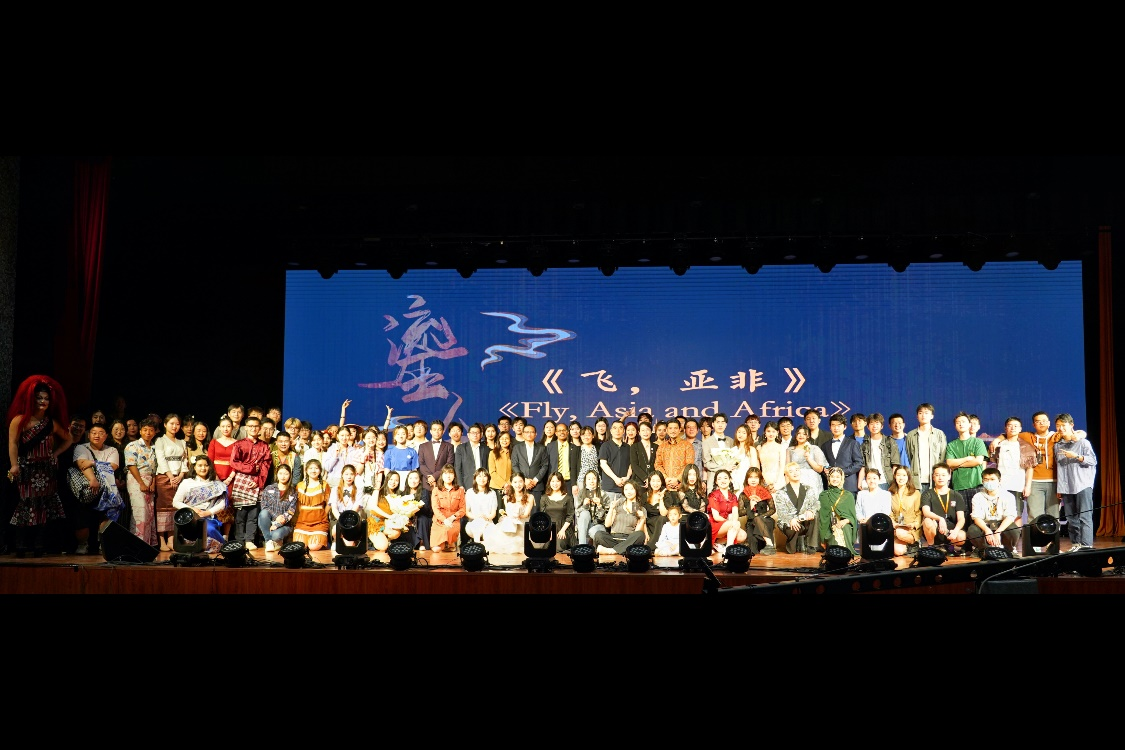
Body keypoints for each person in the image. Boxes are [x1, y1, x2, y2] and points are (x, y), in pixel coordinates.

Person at [69, 422, 124, 556]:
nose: (97, 436)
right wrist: (93, 479)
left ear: (106, 436)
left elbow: (112, 466)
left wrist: (92, 462)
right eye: (93, 433)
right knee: (82, 517)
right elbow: (81, 464)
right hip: (86, 487)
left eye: (100, 433)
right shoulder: (81, 447)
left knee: (105, 516)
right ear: (88, 435)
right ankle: (82, 544)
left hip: (105, 490)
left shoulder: (112, 450)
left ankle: (102, 544)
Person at [227, 415, 272, 550]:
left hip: (257, 481)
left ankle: (249, 540)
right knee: (240, 514)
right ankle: (239, 540)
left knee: (253, 513)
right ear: (246, 428)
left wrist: (258, 481)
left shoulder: (264, 446)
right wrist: (251, 468)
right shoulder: (239, 444)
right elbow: (234, 462)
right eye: (250, 426)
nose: (253, 428)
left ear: (260, 428)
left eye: (256, 426)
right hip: (241, 480)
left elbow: (266, 465)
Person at [1054, 413, 1097, 552]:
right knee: (1071, 519)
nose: (1060, 428)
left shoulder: (1083, 442)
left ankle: (1086, 546)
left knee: (1085, 516)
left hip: (1082, 485)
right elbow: (1059, 468)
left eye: (1063, 425)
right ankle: (1076, 544)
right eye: (1058, 425)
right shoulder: (1057, 445)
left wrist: (1077, 456)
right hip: (1066, 487)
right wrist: (1059, 488)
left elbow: (1093, 461)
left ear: (1071, 425)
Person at [169, 454, 228, 554]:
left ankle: (222, 545)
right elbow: (176, 502)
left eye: (206, 465)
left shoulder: (217, 484)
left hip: (207, 516)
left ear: (210, 467)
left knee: (209, 529)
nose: (203, 468)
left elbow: (223, 504)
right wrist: (192, 510)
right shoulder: (187, 483)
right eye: (200, 465)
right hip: (190, 517)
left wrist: (207, 513)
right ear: (194, 467)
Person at [988, 417, 1035, 526]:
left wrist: (1027, 486)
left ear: (1020, 429)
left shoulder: (1026, 446)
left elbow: (1029, 468)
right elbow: (991, 463)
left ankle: (1016, 537)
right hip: (1000, 486)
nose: (1012, 428)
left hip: (1017, 485)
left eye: (1015, 426)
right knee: (1000, 514)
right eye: (1010, 425)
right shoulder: (998, 445)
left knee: (1017, 514)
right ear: (1005, 428)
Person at [966, 467, 1021, 558]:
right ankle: (982, 549)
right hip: (986, 524)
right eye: (986, 479)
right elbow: (976, 517)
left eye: (992, 479)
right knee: (972, 530)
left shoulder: (1008, 496)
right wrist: (987, 530)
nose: (989, 482)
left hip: (1001, 523)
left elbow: (1010, 516)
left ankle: (1009, 549)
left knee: (1014, 530)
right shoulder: (978, 496)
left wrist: (998, 532)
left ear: (999, 481)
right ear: (982, 481)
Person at [152, 413, 189, 552]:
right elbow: (161, 459)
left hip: (179, 478)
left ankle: (171, 539)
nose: (174, 426)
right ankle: (161, 540)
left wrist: (180, 475)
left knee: (175, 508)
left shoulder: (182, 442)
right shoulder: (160, 440)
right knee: (163, 508)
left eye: (177, 424)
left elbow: (184, 460)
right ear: (165, 424)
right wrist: (170, 476)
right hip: (164, 477)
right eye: (172, 423)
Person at [1020, 411, 1064, 521]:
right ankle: (1034, 533)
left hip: (1054, 482)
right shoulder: (1028, 436)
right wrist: (997, 440)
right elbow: (1007, 435)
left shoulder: (1056, 436)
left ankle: (1053, 533)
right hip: (1034, 482)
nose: (1041, 423)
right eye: (1038, 421)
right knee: (1034, 516)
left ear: (1049, 423)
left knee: (1053, 515)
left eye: (1044, 421)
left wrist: (1081, 434)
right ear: (1033, 425)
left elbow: (1076, 433)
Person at [124, 417, 159, 547]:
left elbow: (155, 468)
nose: (148, 433)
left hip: (150, 480)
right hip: (136, 479)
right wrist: (141, 483)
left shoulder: (155, 448)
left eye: (151, 430)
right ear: (140, 431)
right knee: (140, 512)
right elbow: (131, 465)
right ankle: (137, 544)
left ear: (155, 432)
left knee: (149, 513)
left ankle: (148, 545)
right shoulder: (132, 445)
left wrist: (153, 483)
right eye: (145, 430)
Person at [920, 463, 969, 555]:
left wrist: (956, 530)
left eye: (943, 475)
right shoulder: (927, 494)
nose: (940, 478)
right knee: (927, 521)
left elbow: (961, 518)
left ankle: (949, 546)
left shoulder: (956, 495)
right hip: (935, 527)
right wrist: (940, 519)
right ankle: (932, 547)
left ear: (949, 476)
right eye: (937, 475)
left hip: (950, 530)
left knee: (961, 536)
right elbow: (926, 512)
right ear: (933, 477)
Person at [775, 462, 821, 554]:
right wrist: (791, 519)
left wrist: (811, 510)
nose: (795, 473)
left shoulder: (808, 489)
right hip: (789, 522)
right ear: (787, 475)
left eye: (797, 470)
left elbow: (816, 503)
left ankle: (811, 545)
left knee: (816, 514)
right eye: (791, 471)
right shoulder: (781, 492)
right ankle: (792, 544)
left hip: (805, 520)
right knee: (792, 550)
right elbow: (781, 512)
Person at [592, 478, 646, 555]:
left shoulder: (640, 509)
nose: (629, 492)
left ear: (636, 491)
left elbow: (637, 532)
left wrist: (642, 518)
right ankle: (622, 550)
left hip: (628, 540)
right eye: (626, 489)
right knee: (599, 534)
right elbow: (607, 524)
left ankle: (612, 551)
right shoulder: (619, 504)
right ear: (623, 492)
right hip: (614, 538)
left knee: (640, 535)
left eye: (631, 489)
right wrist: (611, 508)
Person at [945, 411, 989, 506]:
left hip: (976, 484)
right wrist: (967, 458)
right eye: (958, 422)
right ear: (955, 426)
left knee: (978, 513)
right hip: (958, 485)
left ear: (969, 424)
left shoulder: (978, 442)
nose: (961, 424)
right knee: (961, 513)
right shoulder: (951, 445)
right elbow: (949, 463)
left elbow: (978, 461)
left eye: (963, 421)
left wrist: (957, 465)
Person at [254, 461, 298, 553]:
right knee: (263, 513)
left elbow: (290, 512)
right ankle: (268, 541)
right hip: (269, 521)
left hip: (284, 524)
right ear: (277, 474)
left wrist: (277, 524)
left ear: (290, 475)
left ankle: (276, 540)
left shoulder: (293, 492)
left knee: (275, 535)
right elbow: (264, 506)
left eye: (286, 474)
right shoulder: (269, 488)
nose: (283, 476)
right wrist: (276, 517)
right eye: (280, 473)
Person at [207, 416, 239, 538]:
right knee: (215, 503)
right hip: (215, 477)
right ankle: (215, 535)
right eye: (223, 426)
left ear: (233, 427)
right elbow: (210, 461)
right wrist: (216, 478)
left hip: (231, 477)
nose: (226, 429)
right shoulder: (214, 442)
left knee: (228, 504)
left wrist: (230, 478)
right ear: (219, 428)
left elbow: (237, 462)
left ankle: (226, 536)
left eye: (228, 426)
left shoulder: (237, 443)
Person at [483, 480, 532, 555]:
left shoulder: (530, 497)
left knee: (518, 542)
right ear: (511, 483)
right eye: (515, 482)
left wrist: (517, 517)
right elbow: (509, 511)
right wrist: (508, 514)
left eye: (520, 482)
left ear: (523, 482)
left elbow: (526, 514)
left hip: (522, 522)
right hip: (511, 522)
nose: (518, 485)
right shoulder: (508, 496)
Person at [817, 466, 858, 557]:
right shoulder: (823, 495)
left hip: (844, 524)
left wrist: (845, 521)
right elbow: (822, 516)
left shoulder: (848, 495)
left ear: (841, 479)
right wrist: (832, 525)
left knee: (846, 528)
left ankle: (847, 551)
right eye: (832, 476)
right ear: (829, 478)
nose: (835, 479)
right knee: (834, 550)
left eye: (837, 477)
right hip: (829, 526)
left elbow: (852, 517)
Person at [906, 403, 947, 491]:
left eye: (926, 413)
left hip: (935, 480)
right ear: (917, 416)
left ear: (932, 416)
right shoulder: (911, 435)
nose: (923, 415)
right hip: (917, 480)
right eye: (920, 413)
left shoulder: (939, 434)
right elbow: (910, 456)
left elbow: (942, 456)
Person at [292, 458, 330, 551]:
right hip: (303, 522)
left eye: (316, 468)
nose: (313, 471)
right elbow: (298, 505)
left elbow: (329, 503)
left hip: (319, 522)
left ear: (320, 470)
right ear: (306, 470)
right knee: (300, 547)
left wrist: (323, 515)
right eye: (311, 468)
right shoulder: (300, 485)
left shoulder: (324, 485)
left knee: (314, 547)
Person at [737, 467, 776, 555]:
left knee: (758, 519)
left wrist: (762, 516)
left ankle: (769, 545)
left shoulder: (765, 492)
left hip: (765, 521)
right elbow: (740, 513)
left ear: (760, 479)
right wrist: (750, 507)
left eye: (756, 477)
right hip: (751, 523)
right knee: (753, 550)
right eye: (751, 477)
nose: (753, 480)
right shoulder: (743, 495)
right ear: (747, 479)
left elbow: (773, 509)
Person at [707, 469, 746, 556]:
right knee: (734, 524)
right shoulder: (713, 495)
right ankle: (729, 551)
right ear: (716, 482)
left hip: (725, 524)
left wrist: (734, 522)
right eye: (719, 479)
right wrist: (731, 523)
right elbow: (716, 517)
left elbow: (735, 514)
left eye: (725, 478)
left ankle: (717, 543)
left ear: (730, 480)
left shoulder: (733, 496)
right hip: (713, 524)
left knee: (742, 535)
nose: (723, 481)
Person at [822, 414, 863, 493]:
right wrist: (826, 470)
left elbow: (858, 463)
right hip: (831, 487)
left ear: (845, 427)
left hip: (848, 486)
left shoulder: (853, 443)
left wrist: (841, 472)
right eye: (833, 425)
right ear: (830, 427)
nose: (836, 428)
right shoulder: (825, 445)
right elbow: (824, 464)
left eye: (839, 425)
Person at [429, 463, 465, 553]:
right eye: (445, 473)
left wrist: (453, 517)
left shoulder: (460, 490)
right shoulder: (436, 490)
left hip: (453, 521)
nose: (448, 476)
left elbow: (462, 509)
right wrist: (444, 520)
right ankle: (448, 543)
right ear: (442, 475)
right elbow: (435, 509)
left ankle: (450, 542)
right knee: (436, 549)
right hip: (439, 521)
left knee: (447, 530)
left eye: (451, 473)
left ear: (454, 476)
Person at [511, 423, 548, 508]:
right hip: (521, 486)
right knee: (521, 510)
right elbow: (515, 465)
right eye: (527, 432)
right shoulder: (517, 448)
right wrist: (524, 480)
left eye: (532, 432)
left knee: (535, 511)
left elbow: (545, 465)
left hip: (537, 485)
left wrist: (535, 480)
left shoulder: (542, 448)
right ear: (523, 434)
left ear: (536, 434)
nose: (529, 434)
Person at [889, 465, 923, 557]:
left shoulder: (915, 493)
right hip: (897, 527)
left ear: (908, 477)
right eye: (898, 475)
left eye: (904, 475)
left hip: (911, 528)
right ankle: (907, 545)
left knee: (900, 533)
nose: (901, 478)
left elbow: (919, 513)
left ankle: (914, 542)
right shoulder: (890, 493)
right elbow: (890, 513)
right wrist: (893, 523)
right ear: (895, 476)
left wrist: (914, 524)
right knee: (898, 551)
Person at [329, 464, 365, 547]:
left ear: (355, 475)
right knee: (335, 531)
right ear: (342, 475)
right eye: (346, 474)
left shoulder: (358, 490)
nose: (349, 477)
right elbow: (334, 508)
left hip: (352, 519)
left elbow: (355, 508)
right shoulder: (335, 489)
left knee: (349, 545)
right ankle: (336, 541)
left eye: (351, 474)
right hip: (338, 518)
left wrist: (347, 521)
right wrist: (341, 520)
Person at [654, 418, 693, 493]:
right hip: (665, 485)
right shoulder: (662, 446)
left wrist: (677, 479)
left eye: (675, 428)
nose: (673, 431)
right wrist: (666, 478)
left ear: (679, 430)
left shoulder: (687, 445)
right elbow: (657, 464)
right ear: (667, 430)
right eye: (670, 428)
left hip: (682, 486)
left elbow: (689, 465)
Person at [859, 413, 896, 491]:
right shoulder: (864, 444)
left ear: (882, 426)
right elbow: (863, 466)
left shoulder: (889, 441)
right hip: (870, 482)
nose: (874, 426)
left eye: (877, 423)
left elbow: (895, 464)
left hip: (887, 482)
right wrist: (860, 482)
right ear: (868, 426)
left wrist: (894, 482)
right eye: (872, 424)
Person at [538, 471, 574, 551]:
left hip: (563, 528)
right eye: (553, 481)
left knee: (559, 546)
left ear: (561, 482)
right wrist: (548, 531)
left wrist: (562, 530)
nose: (555, 484)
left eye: (557, 481)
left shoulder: (568, 498)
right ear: (549, 483)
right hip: (549, 528)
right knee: (546, 546)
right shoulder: (544, 498)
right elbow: (543, 517)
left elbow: (570, 516)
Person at [598, 419, 633, 502]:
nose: (617, 430)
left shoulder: (628, 447)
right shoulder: (605, 446)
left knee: (626, 510)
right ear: (611, 431)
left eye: (620, 428)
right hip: (609, 488)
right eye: (615, 428)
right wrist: (616, 479)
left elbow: (631, 464)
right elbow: (603, 464)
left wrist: (627, 477)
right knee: (610, 510)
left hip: (625, 488)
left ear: (624, 431)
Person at [788, 425, 827, 496]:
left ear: (808, 436)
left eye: (804, 434)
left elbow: (820, 469)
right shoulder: (790, 450)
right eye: (799, 433)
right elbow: (786, 468)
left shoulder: (814, 448)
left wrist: (808, 458)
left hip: (812, 480)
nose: (801, 436)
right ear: (796, 435)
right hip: (795, 479)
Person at [462, 467, 498, 545]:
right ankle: (477, 546)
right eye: (479, 476)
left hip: (488, 522)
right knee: (478, 526)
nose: (482, 479)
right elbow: (467, 512)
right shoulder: (470, 492)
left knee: (489, 535)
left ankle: (485, 549)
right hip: (473, 523)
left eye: (484, 476)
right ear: (475, 478)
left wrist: (486, 518)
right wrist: (477, 517)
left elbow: (493, 513)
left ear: (488, 478)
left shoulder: (492, 493)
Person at [702, 413, 737, 492]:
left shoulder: (731, 441)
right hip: (713, 480)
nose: (720, 425)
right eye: (718, 422)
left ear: (726, 425)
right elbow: (707, 463)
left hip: (729, 480)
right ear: (713, 424)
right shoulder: (707, 442)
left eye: (722, 422)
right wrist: (723, 467)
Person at [573, 468, 609, 546]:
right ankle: (582, 547)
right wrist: (585, 505)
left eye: (594, 479)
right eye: (589, 479)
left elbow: (606, 518)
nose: (591, 481)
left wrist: (599, 506)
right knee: (584, 513)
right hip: (585, 525)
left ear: (598, 481)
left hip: (599, 526)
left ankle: (595, 548)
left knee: (592, 531)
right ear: (585, 481)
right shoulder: (581, 493)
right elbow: (577, 513)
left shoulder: (603, 495)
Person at [418, 419, 455, 493]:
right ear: (430, 431)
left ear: (443, 431)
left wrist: (434, 476)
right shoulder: (422, 446)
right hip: (426, 483)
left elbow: (449, 464)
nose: (437, 432)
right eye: (434, 430)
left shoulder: (449, 446)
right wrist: (429, 477)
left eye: (439, 430)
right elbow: (421, 464)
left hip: (442, 482)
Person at [546, 419, 577, 495]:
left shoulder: (574, 448)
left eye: (564, 430)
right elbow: (546, 465)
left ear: (567, 432)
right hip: (554, 482)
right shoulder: (549, 447)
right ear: (556, 433)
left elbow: (575, 467)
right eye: (559, 431)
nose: (562, 432)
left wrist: (574, 484)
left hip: (569, 482)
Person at [641, 470, 670, 551]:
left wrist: (661, 499)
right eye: (653, 481)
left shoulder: (667, 494)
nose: (655, 483)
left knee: (662, 518)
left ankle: (649, 548)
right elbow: (642, 516)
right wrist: (646, 533)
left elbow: (663, 514)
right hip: (648, 524)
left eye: (658, 481)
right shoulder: (644, 495)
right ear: (649, 482)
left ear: (661, 482)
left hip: (661, 524)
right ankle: (652, 547)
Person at [455, 423, 489, 491]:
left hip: (483, 484)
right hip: (466, 484)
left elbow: (488, 467)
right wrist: (460, 485)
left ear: (481, 435)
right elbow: (457, 468)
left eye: (477, 433)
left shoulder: (486, 449)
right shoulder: (461, 448)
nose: (475, 435)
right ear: (468, 435)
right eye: (473, 433)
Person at [730, 423, 760, 493]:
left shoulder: (751, 449)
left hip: (745, 479)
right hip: (734, 480)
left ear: (748, 435)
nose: (740, 435)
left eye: (744, 433)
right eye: (739, 432)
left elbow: (754, 468)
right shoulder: (733, 449)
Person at [757, 421, 786, 493]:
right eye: (768, 431)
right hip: (764, 481)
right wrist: (763, 482)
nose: (771, 434)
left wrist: (776, 485)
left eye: (773, 431)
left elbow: (782, 467)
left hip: (778, 481)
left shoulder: (781, 447)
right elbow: (759, 467)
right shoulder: (760, 447)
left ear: (777, 433)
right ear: (765, 432)